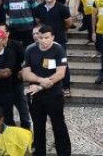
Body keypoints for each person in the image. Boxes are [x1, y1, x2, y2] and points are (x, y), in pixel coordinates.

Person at [22, 24, 70, 156]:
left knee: (59, 126)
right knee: (38, 127)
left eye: (46, 38)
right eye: (41, 37)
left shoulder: (58, 49)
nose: (43, 41)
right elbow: (26, 74)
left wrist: (41, 86)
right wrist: (41, 80)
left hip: (54, 95)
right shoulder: (30, 50)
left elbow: (60, 73)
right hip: (35, 95)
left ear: (52, 37)